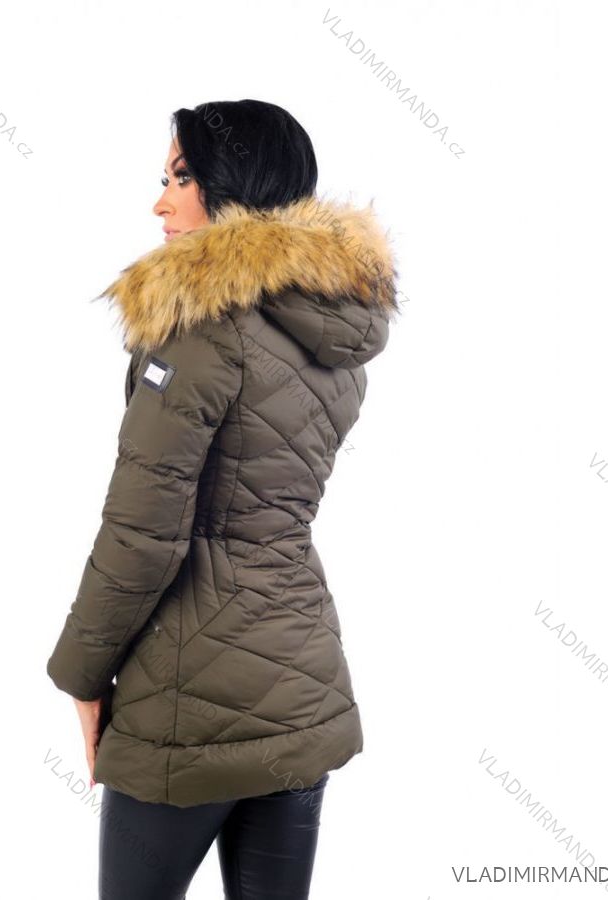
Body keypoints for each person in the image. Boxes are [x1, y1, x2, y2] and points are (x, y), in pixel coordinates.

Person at [46, 98, 399, 899]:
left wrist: (80, 674)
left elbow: (143, 535)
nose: (160, 202)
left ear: (232, 186)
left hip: (186, 705)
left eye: (181, 178)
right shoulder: (329, 337)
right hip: (301, 689)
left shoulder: (199, 326)